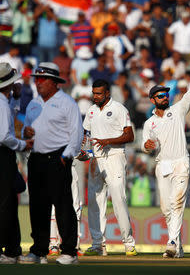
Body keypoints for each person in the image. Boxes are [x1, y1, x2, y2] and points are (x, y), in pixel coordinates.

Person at [19, 62, 83, 265]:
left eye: (43, 79)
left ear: (55, 82)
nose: (38, 83)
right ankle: (39, 251)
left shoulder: (67, 103)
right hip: (36, 158)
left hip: (58, 158)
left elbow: (77, 133)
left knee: (63, 206)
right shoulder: (33, 104)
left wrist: (66, 156)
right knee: (38, 207)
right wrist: (24, 133)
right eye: (36, 79)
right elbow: (26, 131)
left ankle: (70, 252)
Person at [141, 51, 190, 258]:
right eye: (160, 95)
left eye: (166, 94)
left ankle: (172, 241)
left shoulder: (176, 111)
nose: (164, 97)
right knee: (166, 207)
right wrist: (148, 146)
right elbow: (145, 145)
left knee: (177, 202)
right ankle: (178, 246)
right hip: (162, 165)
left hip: (180, 162)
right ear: (152, 100)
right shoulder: (149, 123)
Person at [0, 62, 33, 263]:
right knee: (4, 202)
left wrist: (16, 98)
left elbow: (6, 119)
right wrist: (23, 145)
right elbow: (5, 135)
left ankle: (12, 249)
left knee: (9, 201)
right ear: (8, 84)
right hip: (0, 154)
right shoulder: (0, 103)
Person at [82, 79, 137, 256]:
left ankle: (128, 244)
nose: (95, 96)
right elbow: (86, 136)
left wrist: (108, 141)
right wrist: (84, 152)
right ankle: (98, 244)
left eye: (99, 93)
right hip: (96, 160)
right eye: (94, 93)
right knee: (95, 202)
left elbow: (130, 136)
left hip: (114, 156)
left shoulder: (119, 108)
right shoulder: (90, 111)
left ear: (107, 93)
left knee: (119, 198)